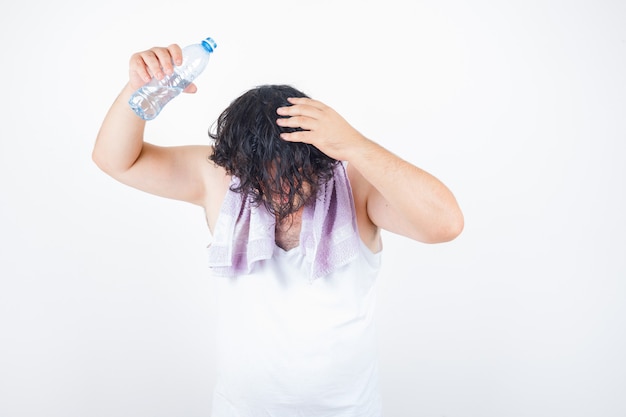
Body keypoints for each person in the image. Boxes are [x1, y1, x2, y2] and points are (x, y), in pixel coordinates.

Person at [93, 43, 464, 417]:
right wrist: (137, 90)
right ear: (236, 167)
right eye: (260, 177)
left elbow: (445, 224)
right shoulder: (219, 179)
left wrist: (354, 144)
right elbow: (115, 161)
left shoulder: (356, 184)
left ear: (318, 156)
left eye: (291, 174)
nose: (278, 189)